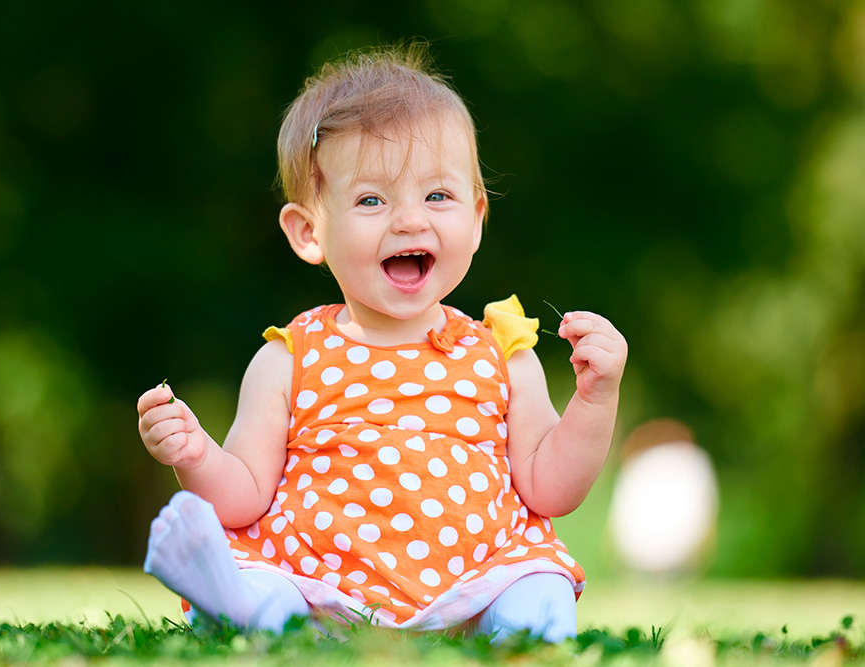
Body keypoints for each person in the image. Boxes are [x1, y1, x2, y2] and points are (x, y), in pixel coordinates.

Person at [137, 43, 627, 643]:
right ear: (309, 231)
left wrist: (595, 399)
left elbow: (551, 487)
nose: (410, 221)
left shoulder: (502, 354)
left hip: (477, 579)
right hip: (320, 583)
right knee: (268, 581)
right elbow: (245, 496)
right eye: (372, 200)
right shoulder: (290, 357)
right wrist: (196, 456)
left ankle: (525, 632)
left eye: (438, 196)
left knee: (537, 583)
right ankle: (246, 602)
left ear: (476, 218)